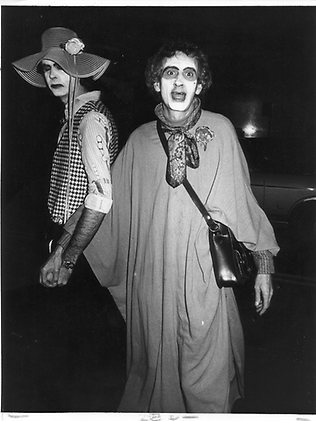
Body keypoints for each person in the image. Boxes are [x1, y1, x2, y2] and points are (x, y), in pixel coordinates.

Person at [41, 40, 279, 413]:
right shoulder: (140, 141)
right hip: (151, 285)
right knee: (154, 373)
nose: (180, 82)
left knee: (205, 378)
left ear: (200, 85)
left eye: (189, 74)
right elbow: (106, 204)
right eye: (170, 73)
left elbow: (244, 206)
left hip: (204, 281)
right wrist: (63, 252)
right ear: (157, 83)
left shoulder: (221, 130)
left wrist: (264, 267)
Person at [12, 27, 119, 288]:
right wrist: (59, 248)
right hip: (67, 239)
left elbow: (100, 198)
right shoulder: (71, 116)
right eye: (47, 68)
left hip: (86, 252)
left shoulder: (91, 119)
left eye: (59, 67)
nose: (51, 76)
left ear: (78, 69)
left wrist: (68, 259)